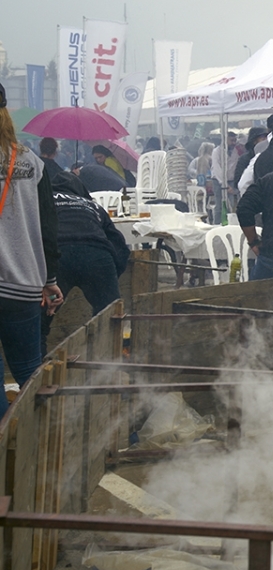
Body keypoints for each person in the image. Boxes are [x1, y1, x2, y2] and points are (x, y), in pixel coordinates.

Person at [0, 82, 63, 417]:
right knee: (28, 372)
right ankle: (42, 447)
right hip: (25, 284)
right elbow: (48, 226)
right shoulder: (31, 161)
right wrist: (50, 277)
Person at [40, 172, 128, 350]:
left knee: (39, 321)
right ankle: (109, 367)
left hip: (59, 260)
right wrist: (111, 276)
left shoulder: (42, 202)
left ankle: (36, 371)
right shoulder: (93, 205)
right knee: (110, 317)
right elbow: (120, 245)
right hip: (98, 258)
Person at [233, 127, 268, 193]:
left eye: (267, 137)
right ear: (254, 141)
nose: (266, 141)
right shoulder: (245, 159)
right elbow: (238, 181)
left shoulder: (271, 157)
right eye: (263, 138)